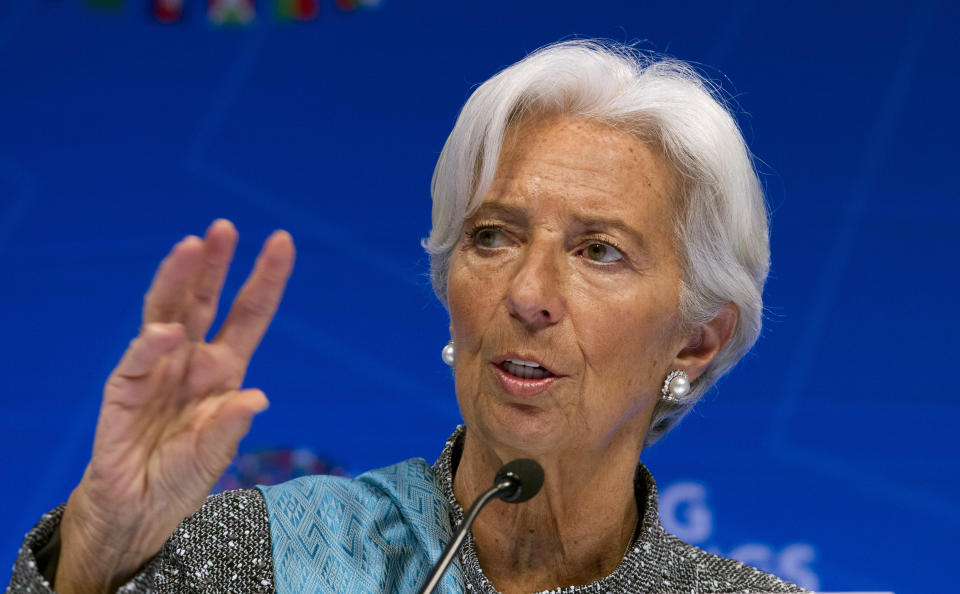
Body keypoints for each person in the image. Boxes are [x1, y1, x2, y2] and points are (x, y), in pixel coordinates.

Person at [8, 40, 806, 593]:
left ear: (698, 340)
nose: (528, 293)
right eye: (492, 236)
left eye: (599, 251)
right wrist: (102, 547)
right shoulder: (263, 557)